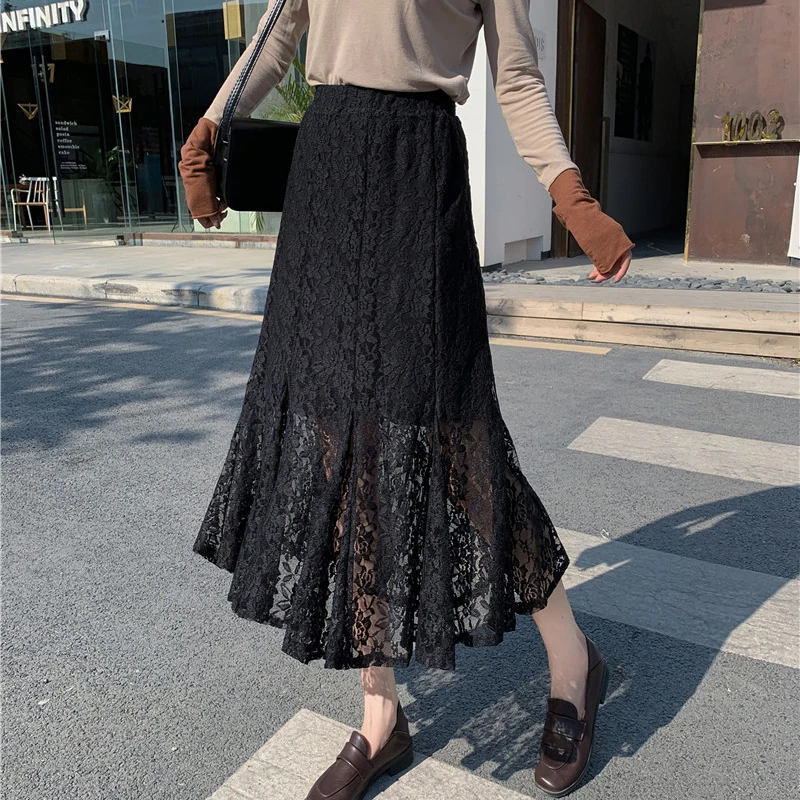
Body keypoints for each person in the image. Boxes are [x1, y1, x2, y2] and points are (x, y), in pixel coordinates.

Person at [179, 1, 633, 798]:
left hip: (417, 176)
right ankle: (380, 714)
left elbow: (518, 76)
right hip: (326, 172)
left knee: (458, 446)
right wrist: (210, 126)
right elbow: (277, 36)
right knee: (340, 445)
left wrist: (571, 196)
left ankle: (573, 662)